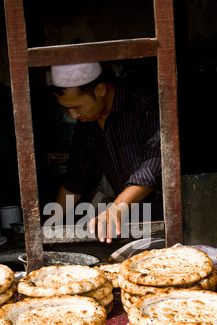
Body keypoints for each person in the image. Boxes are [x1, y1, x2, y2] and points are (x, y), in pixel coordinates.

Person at [49, 61, 162, 243]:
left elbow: (153, 167)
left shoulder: (143, 106)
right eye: (67, 108)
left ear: (100, 90)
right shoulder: (86, 127)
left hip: (162, 220)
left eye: (76, 107)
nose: (73, 116)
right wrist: (48, 228)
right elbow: (76, 181)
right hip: (125, 228)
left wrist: (116, 209)